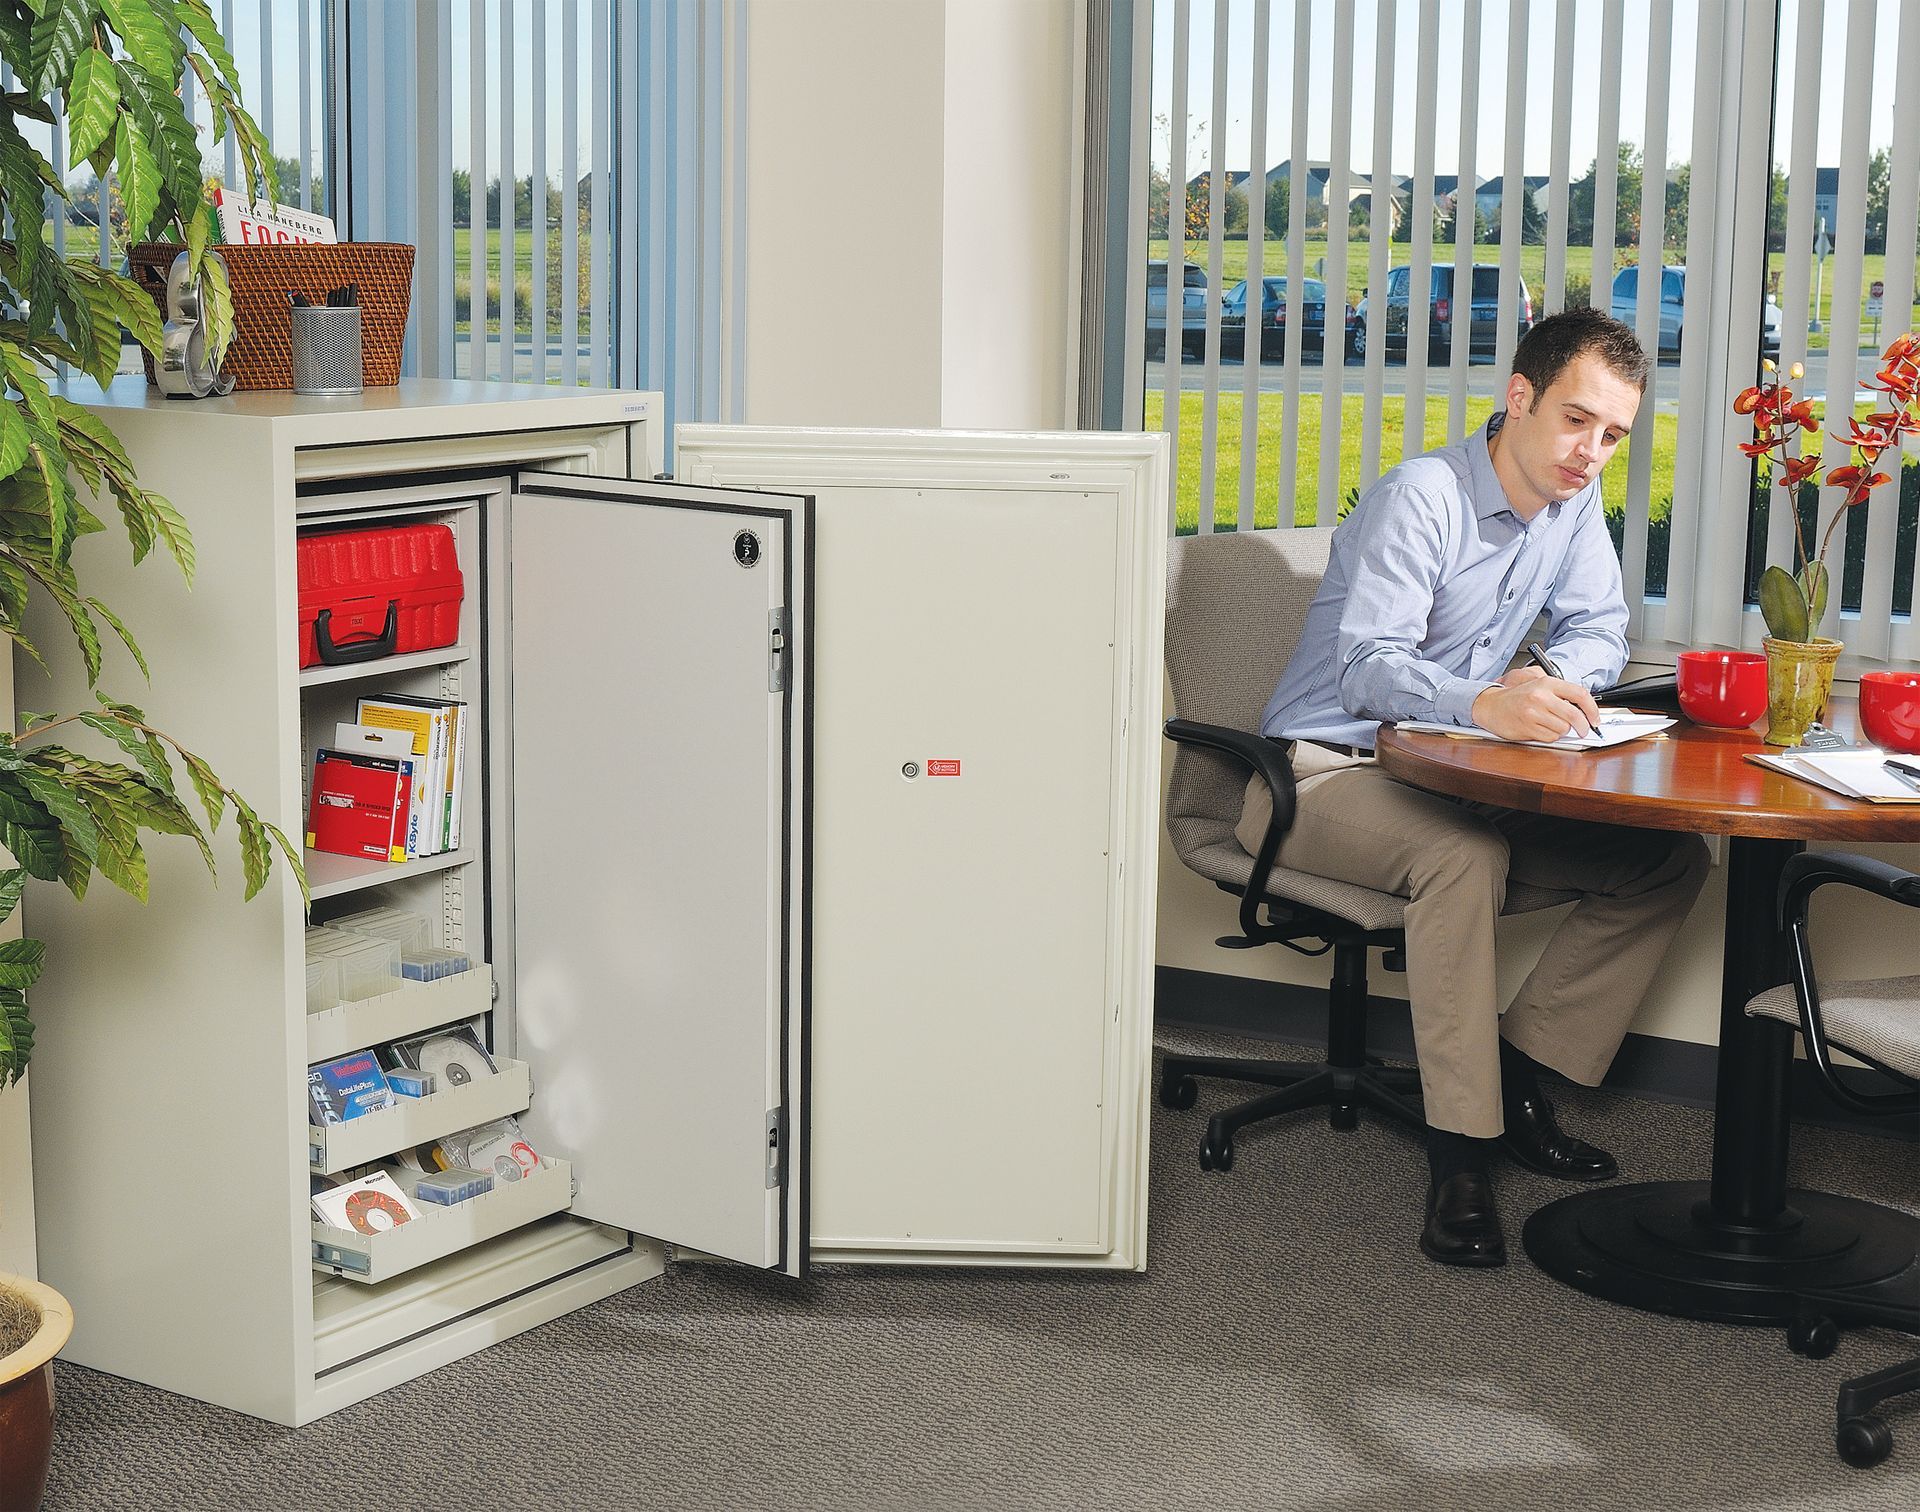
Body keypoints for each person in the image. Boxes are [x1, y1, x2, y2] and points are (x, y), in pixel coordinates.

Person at [1237, 307, 1711, 1268]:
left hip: (1450, 776)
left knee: (1662, 859)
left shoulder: (1571, 508)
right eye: (1577, 420)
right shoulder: (1424, 497)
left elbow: (1600, 628)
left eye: (1613, 436)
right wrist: (1486, 700)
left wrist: (1561, 678)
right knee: (1466, 857)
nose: (1592, 454)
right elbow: (1370, 666)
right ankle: (1460, 1150)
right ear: (1519, 397)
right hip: (1320, 776)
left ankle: (1517, 1075)